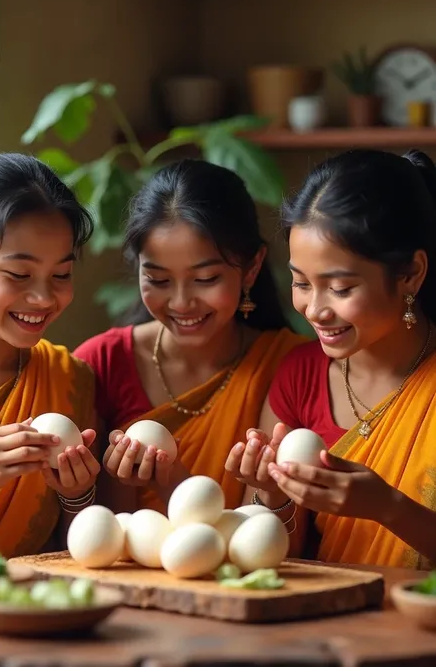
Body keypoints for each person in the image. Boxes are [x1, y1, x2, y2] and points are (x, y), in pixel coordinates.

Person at [226, 148, 436, 569]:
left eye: (340, 288)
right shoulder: (299, 377)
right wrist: (272, 493)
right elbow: (281, 558)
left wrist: (390, 507)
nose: (315, 309)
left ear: (410, 273)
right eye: (300, 283)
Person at [74, 159, 305, 513]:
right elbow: (82, 528)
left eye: (206, 279)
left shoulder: (289, 366)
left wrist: (168, 479)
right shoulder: (102, 363)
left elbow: (266, 534)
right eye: (159, 280)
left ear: (251, 268)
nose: (181, 303)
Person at [0, 153, 100, 558]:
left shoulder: (68, 381)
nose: (43, 298)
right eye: (19, 275)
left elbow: (79, 554)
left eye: (61, 275)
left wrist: (76, 494)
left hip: (30, 612)